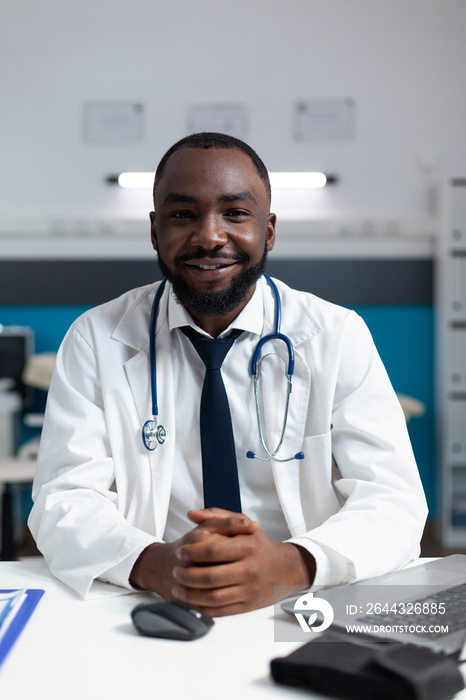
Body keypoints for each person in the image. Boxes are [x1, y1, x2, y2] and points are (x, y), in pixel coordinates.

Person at [29, 132, 427, 615]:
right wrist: (157, 564)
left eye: (235, 213)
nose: (209, 236)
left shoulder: (335, 334)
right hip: (152, 596)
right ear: (155, 231)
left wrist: (288, 564)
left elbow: (393, 500)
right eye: (183, 215)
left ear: (270, 231)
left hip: (303, 598)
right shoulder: (96, 337)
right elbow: (63, 499)